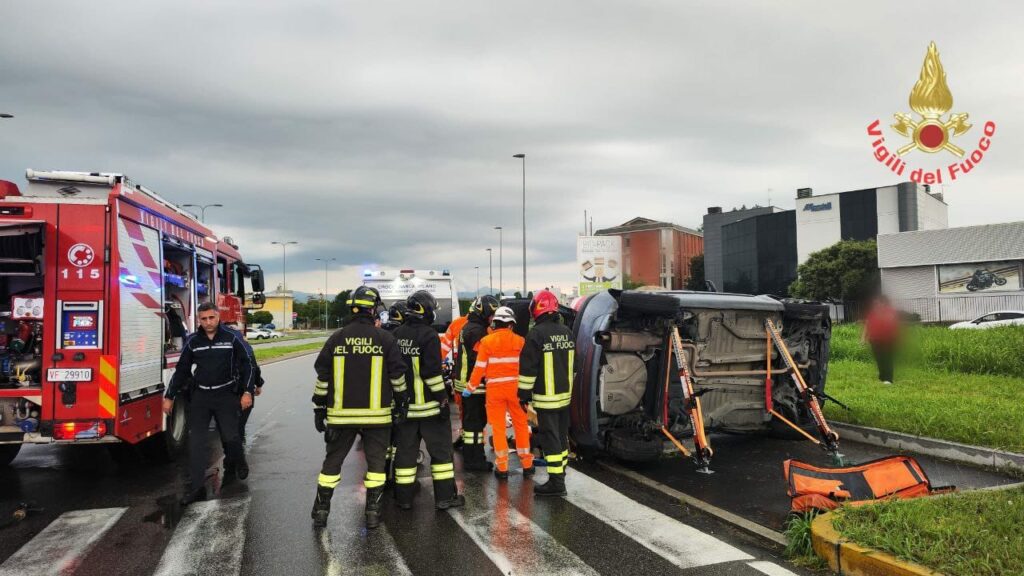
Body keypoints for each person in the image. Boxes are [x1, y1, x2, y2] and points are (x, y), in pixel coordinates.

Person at [310, 286, 409, 529]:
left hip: (340, 418)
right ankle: (373, 513)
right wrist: (402, 402)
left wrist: (319, 407)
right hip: (378, 418)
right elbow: (397, 376)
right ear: (373, 309)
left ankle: (321, 511)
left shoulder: (337, 337)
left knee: (331, 465)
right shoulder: (386, 339)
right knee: (376, 466)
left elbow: (322, 376)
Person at [163, 302, 257, 506]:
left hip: (226, 395)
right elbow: (182, 370)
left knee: (231, 437)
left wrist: (247, 391)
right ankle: (196, 488)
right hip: (201, 397)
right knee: (196, 443)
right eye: (203, 319)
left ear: (218, 317)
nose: (208, 322)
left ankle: (239, 459)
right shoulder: (193, 341)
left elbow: (248, 363)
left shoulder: (232, 337)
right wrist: (169, 396)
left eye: (211, 318)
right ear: (199, 320)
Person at [391, 290, 465, 510]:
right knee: (441, 454)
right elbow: (431, 373)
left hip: (405, 409)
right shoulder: (429, 335)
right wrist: (443, 399)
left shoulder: (397, 334)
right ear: (426, 310)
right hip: (430, 410)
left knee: (405, 454)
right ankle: (445, 497)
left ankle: (403, 498)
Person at [464, 306, 533, 479]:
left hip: (494, 391)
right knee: (521, 425)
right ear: (511, 324)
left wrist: (470, 388)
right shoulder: (520, 341)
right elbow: (527, 367)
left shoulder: (486, 342)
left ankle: (502, 467)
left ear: (495, 323)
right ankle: (527, 464)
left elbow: (479, 368)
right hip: (516, 390)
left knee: (499, 428)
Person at [519, 290, 575, 496]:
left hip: (546, 399)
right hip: (564, 398)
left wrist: (523, 395)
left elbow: (528, 370)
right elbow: (575, 366)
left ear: (537, 309)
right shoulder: (567, 332)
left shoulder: (536, 334)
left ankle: (556, 483)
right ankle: (560, 475)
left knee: (550, 439)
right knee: (560, 438)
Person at [454, 295, 499, 471]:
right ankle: (475, 461)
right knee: (475, 425)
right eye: (491, 315)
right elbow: (480, 360)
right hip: (474, 386)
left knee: (470, 424)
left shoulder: (468, 327)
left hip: (465, 384)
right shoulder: (477, 332)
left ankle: (470, 454)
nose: (493, 319)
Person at [862, 295, 900, 384]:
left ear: (883, 303)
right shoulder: (872, 313)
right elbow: (867, 325)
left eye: (877, 303)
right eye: (875, 303)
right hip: (874, 340)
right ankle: (882, 377)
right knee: (879, 359)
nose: (875, 305)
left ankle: (888, 379)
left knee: (887, 359)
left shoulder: (890, 312)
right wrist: (863, 338)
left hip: (888, 340)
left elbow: (893, 323)